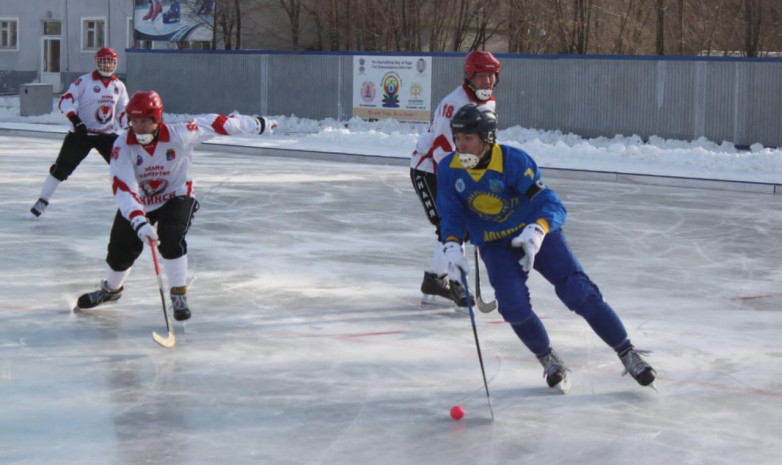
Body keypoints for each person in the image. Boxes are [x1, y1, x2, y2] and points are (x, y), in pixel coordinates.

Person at [437, 103, 657, 389]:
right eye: (457, 138)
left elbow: (552, 204)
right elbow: (451, 214)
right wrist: (452, 246)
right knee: (513, 307)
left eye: (468, 138)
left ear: (487, 138)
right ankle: (548, 358)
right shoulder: (449, 169)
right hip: (495, 244)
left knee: (578, 291)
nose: (461, 145)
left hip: (533, 234)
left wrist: (537, 231)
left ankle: (627, 353)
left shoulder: (513, 162)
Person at [74, 90, 278, 321]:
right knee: (120, 248)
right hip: (141, 203)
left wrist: (258, 124)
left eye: (144, 121)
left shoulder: (180, 134)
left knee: (170, 236)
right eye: (134, 121)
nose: (138, 127)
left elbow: (220, 123)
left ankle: (179, 294)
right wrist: (140, 223)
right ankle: (110, 291)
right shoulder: (123, 146)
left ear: (157, 119)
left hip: (177, 195)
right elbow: (123, 188)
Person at [410, 50, 500, 307]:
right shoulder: (455, 103)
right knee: (450, 225)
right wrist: (460, 187)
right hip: (429, 168)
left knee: (457, 226)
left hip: (457, 168)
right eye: (482, 76)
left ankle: (435, 279)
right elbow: (441, 149)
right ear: (470, 76)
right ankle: (455, 283)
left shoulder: (489, 103)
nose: (487, 82)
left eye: (491, 76)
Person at [30, 47, 129, 217]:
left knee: (125, 167)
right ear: (97, 62)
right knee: (61, 168)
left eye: (110, 62)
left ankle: (136, 202)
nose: (107, 66)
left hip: (107, 134)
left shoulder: (118, 86)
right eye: (104, 62)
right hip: (81, 134)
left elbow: (122, 111)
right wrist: (76, 120)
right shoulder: (84, 81)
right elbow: (65, 102)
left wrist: (128, 127)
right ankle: (43, 200)